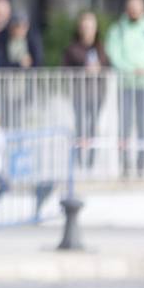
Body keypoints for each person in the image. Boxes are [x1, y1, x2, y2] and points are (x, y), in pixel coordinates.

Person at [105, 0, 144, 179]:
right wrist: (130, 69)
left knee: (143, 125)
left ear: (143, 9)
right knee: (124, 125)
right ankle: (124, 164)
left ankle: (141, 164)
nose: (134, 11)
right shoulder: (118, 29)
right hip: (125, 84)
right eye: (131, 8)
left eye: (137, 8)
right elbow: (113, 53)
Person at [63, 12, 108, 171]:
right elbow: (65, 69)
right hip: (79, 93)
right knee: (80, 126)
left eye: (90, 27)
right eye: (85, 27)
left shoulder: (101, 47)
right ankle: (79, 160)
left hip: (97, 93)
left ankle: (91, 161)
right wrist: (83, 69)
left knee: (93, 126)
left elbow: (108, 65)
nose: (88, 30)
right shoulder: (72, 48)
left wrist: (99, 68)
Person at [0, 0, 42, 70]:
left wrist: (30, 63)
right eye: (17, 26)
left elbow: (38, 62)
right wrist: (19, 64)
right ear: (10, 27)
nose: (20, 29)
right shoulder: (1, 40)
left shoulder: (32, 40)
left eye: (23, 26)